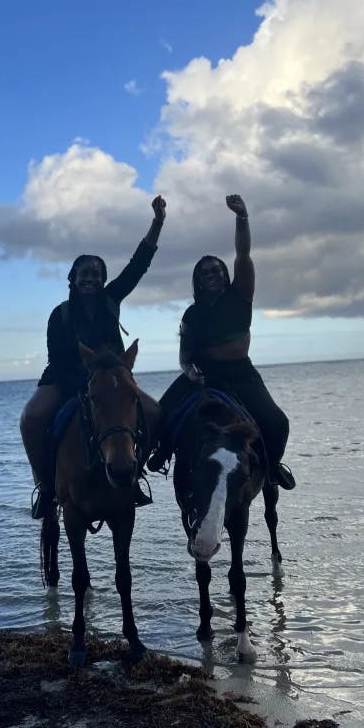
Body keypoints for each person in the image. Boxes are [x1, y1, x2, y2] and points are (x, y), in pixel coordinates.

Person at [21, 196, 167, 518]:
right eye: (84, 274)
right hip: (65, 379)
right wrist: (87, 384)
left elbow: (138, 265)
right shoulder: (59, 315)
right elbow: (57, 360)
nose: (90, 278)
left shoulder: (112, 300)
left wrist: (157, 223)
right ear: (72, 279)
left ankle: (134, 472)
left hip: (111, 381)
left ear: (103, 280)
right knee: (31, 418)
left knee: (155, 412)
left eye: (96, 274)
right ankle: (46, 488)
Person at [147, 194, 295, 490]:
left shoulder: (240, 296)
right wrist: (190, 373)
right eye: (205, 273)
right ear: (198, 281)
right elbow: (185, 356)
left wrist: (242, 217)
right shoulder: (192, 314)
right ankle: (157, 455)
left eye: (216, 269)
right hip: (202, 376)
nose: (211, 274)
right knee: (156, 416)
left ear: (225, 274)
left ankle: (271, 468)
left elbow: (243, 254)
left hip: (241, 374)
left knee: (278, 423)